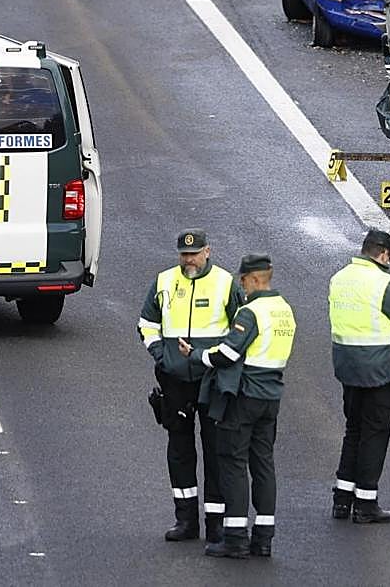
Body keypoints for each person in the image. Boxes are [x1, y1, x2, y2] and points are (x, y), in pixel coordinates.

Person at [180, 253, 296, 559]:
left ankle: (234, 537)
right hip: (271, 396)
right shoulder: (284, 310)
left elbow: (228, 355)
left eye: (243, 280)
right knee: (263, 465)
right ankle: (264, 538)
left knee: (232, 462)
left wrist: (195, 355)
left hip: (245, 396)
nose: (241, 286)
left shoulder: (251, 312)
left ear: (256, 278)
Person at [138, 229, 243, 543]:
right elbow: (146, 324)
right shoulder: (164, 282)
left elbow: (240, 330)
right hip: (175, 381)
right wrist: (163, 356)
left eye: (195, 253)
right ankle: (185, 520)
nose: (189, 260)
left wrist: (222, 363)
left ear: (208, 251)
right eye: (184, 255)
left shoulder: (226, 283)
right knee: (179, 450)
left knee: (215, 450)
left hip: (212, 379)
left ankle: (216, 523)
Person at [328, 229, 390, 524]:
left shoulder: (339, 278)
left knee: (354, 430)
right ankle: (366, 503)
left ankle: (342, 499)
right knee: (375, 433)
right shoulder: (384, 283)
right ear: (384, 254)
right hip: (379, 369)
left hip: (347, 365)